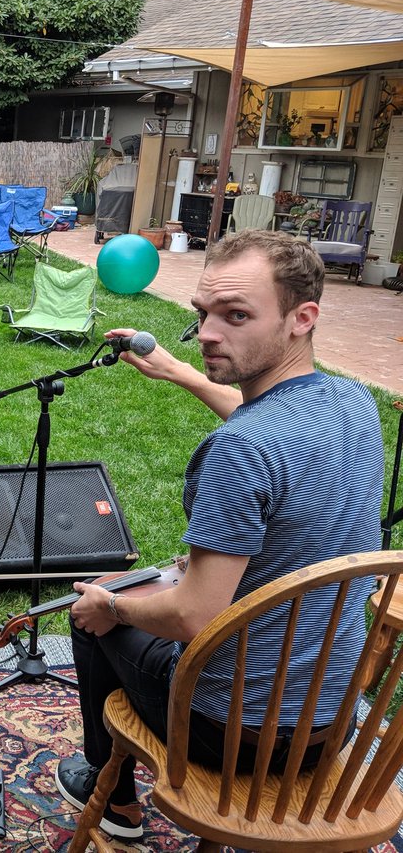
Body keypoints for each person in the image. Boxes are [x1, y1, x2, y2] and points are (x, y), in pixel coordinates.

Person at [56, 229, 384, 840]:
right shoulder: (352, 401)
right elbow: (271, 432)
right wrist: (182, 374)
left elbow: (192, 618)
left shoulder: (239, 451)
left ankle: (116, 799)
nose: (209, 332)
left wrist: (111, 605)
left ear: (300, 317)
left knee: (91, 610)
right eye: (202, 313)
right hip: (334, 722)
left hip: (234, 735)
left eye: (236, 315)